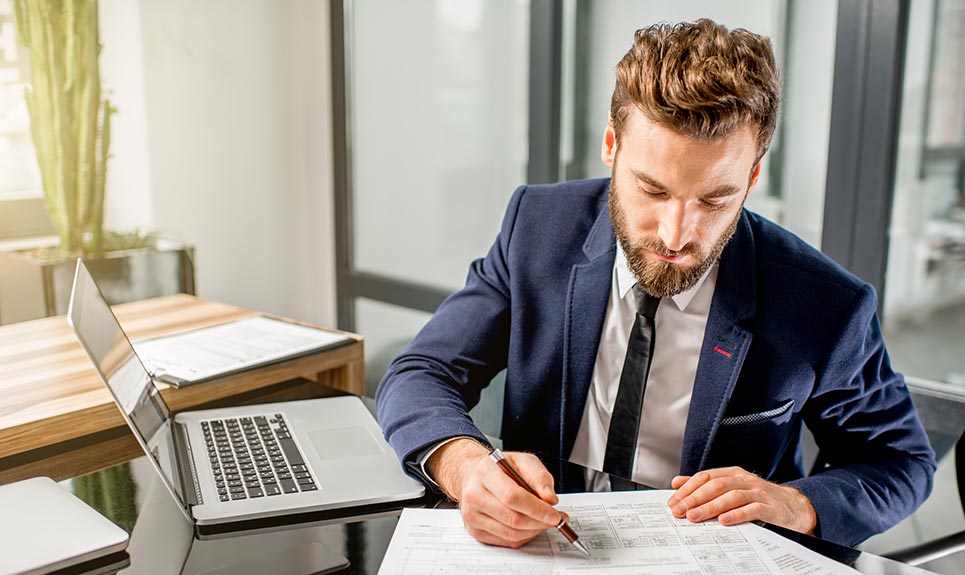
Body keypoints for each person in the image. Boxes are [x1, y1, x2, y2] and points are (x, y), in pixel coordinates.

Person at [375, 18, 936, 550]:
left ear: (753, 176)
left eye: (715, 200)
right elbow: (423, 370)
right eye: (653, 190)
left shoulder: (824, 303)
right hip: (542, 547)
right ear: (612, 147)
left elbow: (902, 462)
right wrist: (466, 465)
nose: (676, 234)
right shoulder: (537, 228)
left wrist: (794, 504)